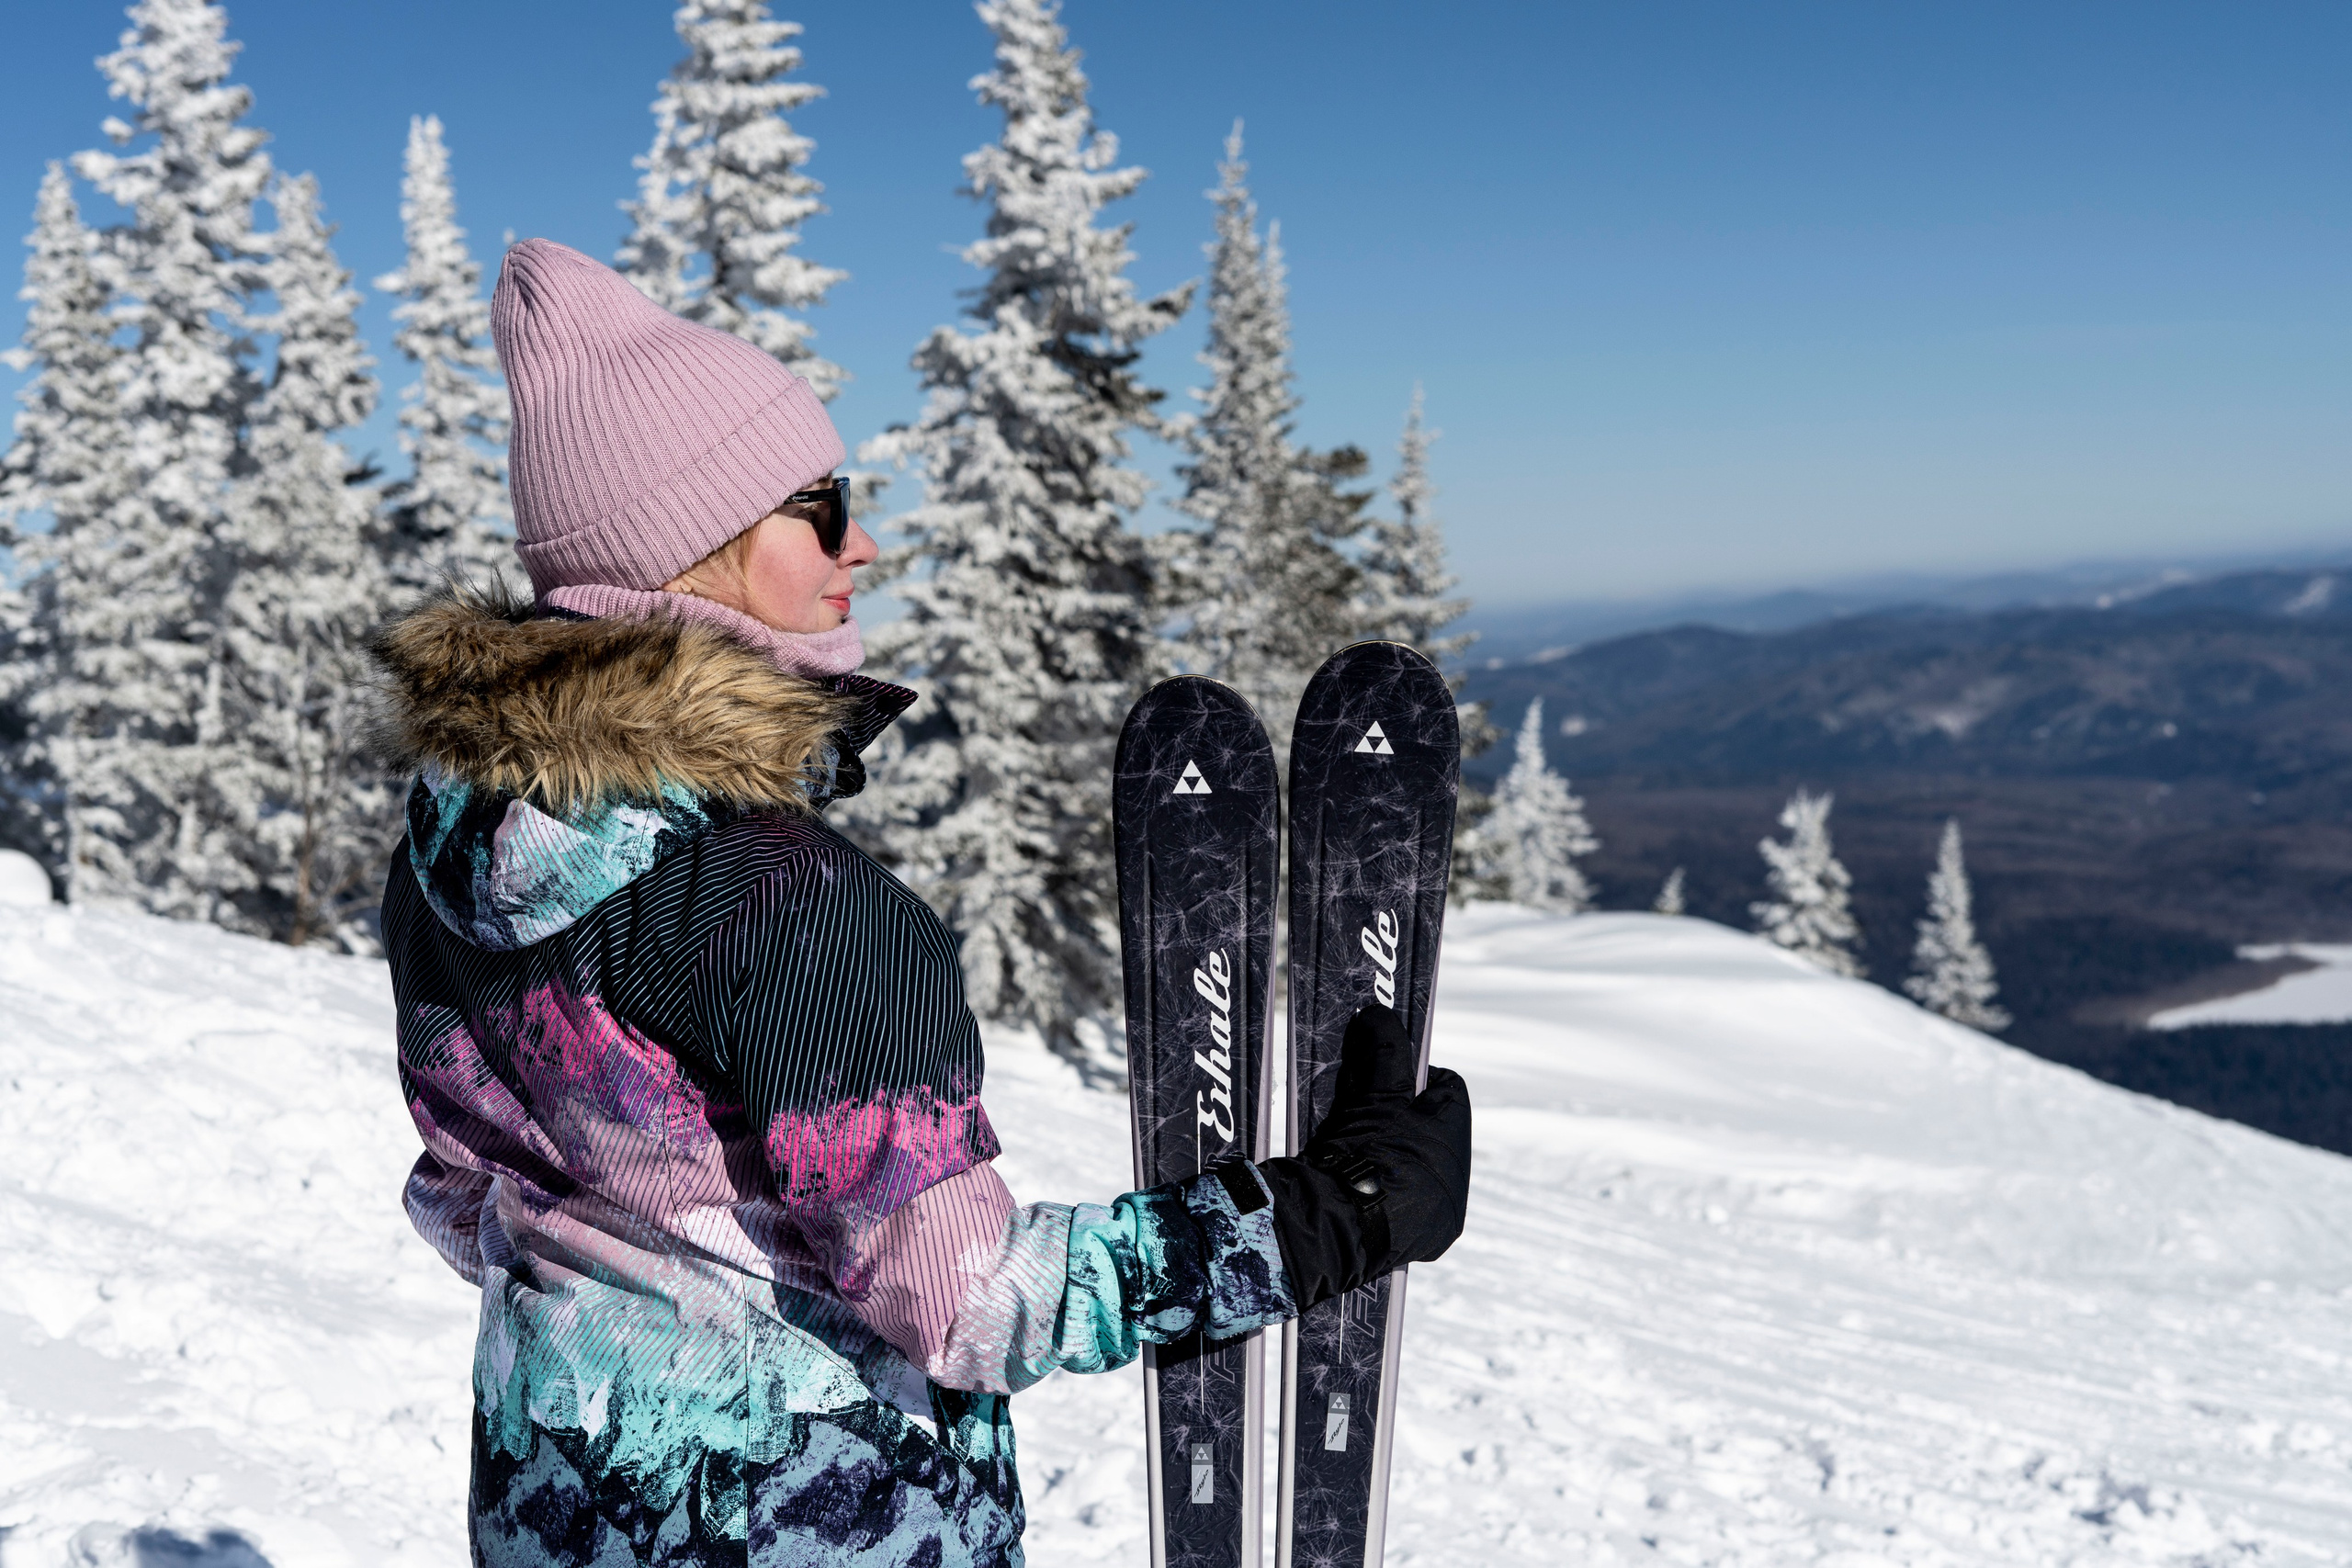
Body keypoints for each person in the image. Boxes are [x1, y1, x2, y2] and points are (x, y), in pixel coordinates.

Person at [371, 238, 1472, 1568]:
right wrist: (1333, 1214)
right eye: (820, 505)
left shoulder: (451, 854)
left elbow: (459, 1195)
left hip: (552, 1512)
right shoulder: (795, 906)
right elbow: (965, 1302)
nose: (863, 540)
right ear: (695, 552)